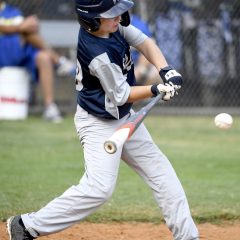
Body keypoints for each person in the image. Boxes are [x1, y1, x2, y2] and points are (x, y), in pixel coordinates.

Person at [6, 0, 199, 240]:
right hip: (98, 123)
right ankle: (27, 226)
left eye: (119, 11)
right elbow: (121, 95)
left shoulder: (112, 27)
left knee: (161, 172)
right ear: (91, 20)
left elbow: (144, 42)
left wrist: (166, 70)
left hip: (126, 118)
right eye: (111, 14)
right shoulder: (97, 52)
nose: (118, 17)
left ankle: (187, 236)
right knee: (99, 190)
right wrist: (155, 89)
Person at [0, 1, 76, 123]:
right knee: (26, 32)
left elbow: (28, 27)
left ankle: (50, 108)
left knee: (44, 57)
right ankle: (60, 61)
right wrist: (20, 27)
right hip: (2, 54)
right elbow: (11, 28)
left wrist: (27, 25)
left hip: (20, 53)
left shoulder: (12, 11)